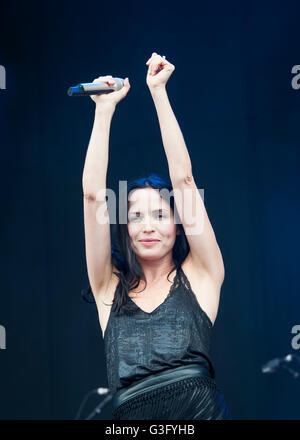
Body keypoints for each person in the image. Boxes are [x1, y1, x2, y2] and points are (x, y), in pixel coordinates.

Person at [82, 52, 232, 420]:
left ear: (178, 223)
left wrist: (158, 92)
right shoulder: (107, 288)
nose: (147, 225)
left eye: (160, 214)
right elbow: (92, 195)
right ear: (126, 228)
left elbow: (184, 180)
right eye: (135, 216)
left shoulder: (201, 274)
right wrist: (103, 111)